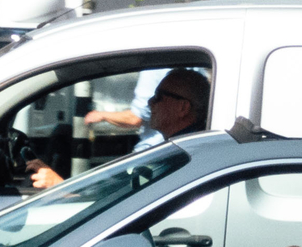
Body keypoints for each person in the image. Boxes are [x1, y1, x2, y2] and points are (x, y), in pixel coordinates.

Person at [28, 66, 210, 191]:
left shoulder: (178, 158)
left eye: (159, 97)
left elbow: (113, 203)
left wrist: (58, 186)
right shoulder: (184, 148)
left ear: (183, 108)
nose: (150, 102)